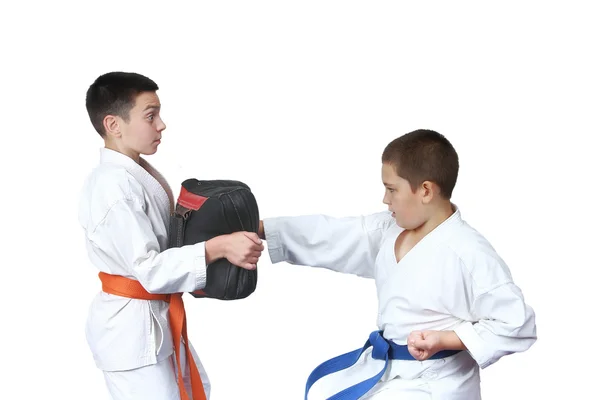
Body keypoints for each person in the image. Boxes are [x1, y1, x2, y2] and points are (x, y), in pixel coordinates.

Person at [258, 129, 537, 399]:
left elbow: (516, 323)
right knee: (321, 392)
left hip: (435, 384)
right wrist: (259, 229)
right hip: (390, 373)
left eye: (391, 189)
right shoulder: (390, 230)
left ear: (425, 190)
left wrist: (447, 339)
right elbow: (330, 235)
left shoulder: (468, 251)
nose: (385, 199)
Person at [78, 71, 264, 400]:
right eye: (150, 115)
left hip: (150, 321)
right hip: (131, 334)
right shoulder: (113, 187)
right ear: (113, 124)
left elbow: (170, 236)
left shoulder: (132, 173)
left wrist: (235, 231)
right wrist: (218, 247)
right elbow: (148, 269)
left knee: (194, 390)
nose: (161, 124)